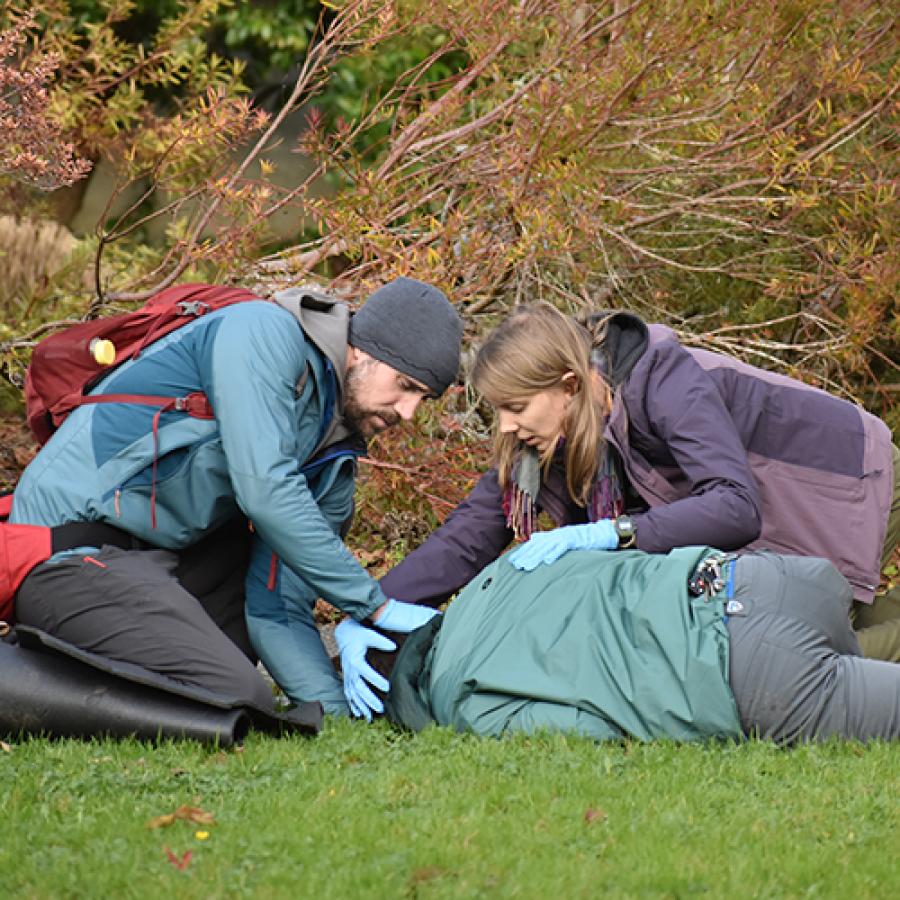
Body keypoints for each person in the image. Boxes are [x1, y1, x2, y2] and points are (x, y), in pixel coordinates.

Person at [378, 302, 899, 697]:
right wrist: (370, 609)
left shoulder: (662, 380)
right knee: (787, 641)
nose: (507, 426)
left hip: (842, 479)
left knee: (808, 652)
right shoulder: (544, 442)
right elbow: (467, 537)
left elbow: (735, 505)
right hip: (770, 494)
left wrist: (615, 532)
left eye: (515, 406)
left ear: (568, 386)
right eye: (498, 411)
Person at [9, 277, 459, 717]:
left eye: (423, 399)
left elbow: (278, 605)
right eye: (405, 385)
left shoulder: (334, 463)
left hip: (150, 561)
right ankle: (16, 674)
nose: (407, 412)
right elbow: (264, 488)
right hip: (66, 549)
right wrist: (374, 605)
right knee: (231, 693)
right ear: (362, 349)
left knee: (232, 670)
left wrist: (334, 710)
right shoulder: (261, 333)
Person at [372, 547, 900, 744]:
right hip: (777, 578)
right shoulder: (496, 575)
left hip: (748, 668)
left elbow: (588, 729)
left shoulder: (459, 701)